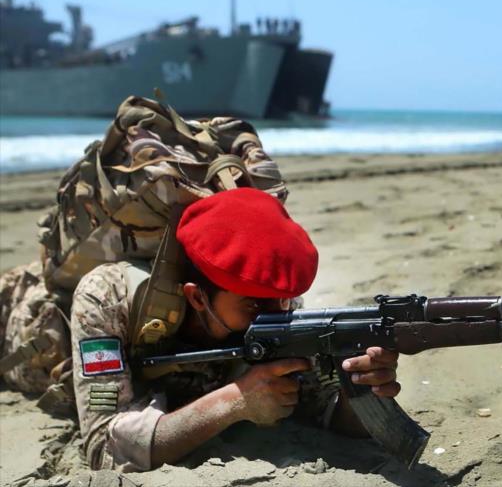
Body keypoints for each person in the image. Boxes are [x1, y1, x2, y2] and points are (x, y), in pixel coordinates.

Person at [69, 188, 402, 471]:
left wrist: (361, 389)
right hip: (35, 335)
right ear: (197, 296)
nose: (274, 317)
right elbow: (104, 447)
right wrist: (233, 402)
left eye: (284, 301)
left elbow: (323, 407)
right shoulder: (106, 297)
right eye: (254, 305)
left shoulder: (277, 304)